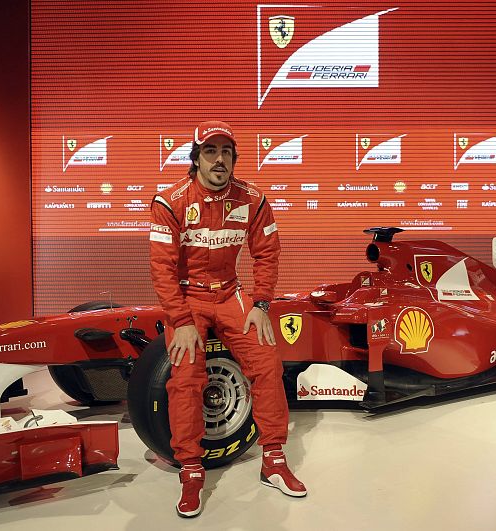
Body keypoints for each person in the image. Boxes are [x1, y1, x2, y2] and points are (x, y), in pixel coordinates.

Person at [149, 120, 306, 518]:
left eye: (226, 153)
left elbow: (267, 254)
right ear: (196, 158)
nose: (219, 160)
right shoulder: (170, 201)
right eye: (210, 152)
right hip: (187, 297)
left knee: (268, 362)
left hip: (232, 292)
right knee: (185, 376)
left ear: (234, 158)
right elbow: (162, 270)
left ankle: (273, 457)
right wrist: (181, 320)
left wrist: (262, 304)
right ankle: (190, 469)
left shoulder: (252, 198)